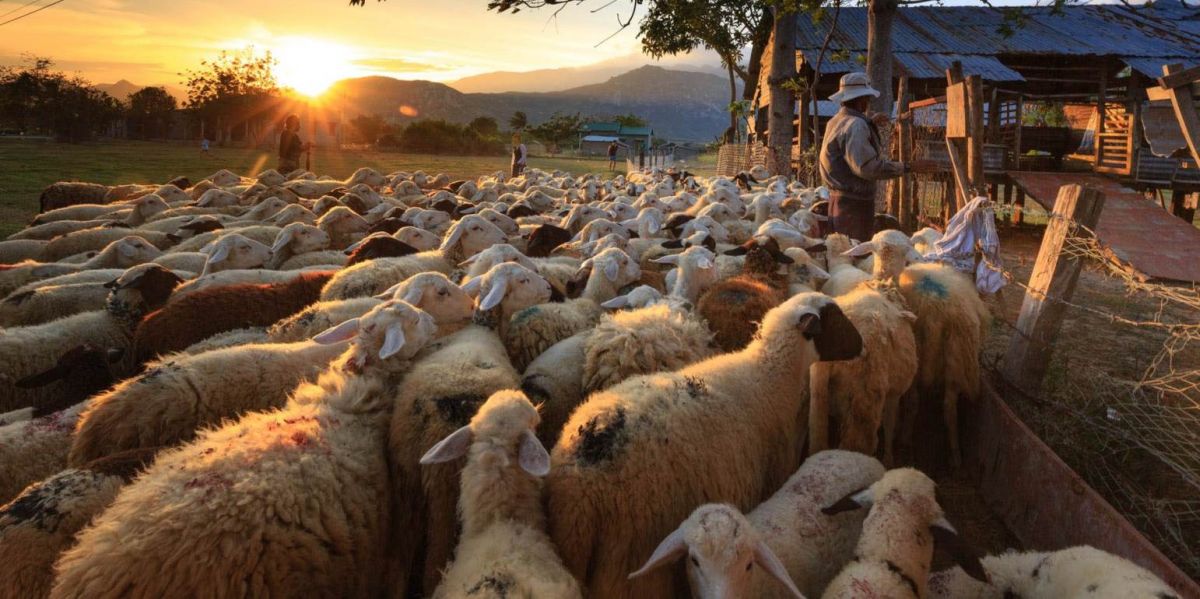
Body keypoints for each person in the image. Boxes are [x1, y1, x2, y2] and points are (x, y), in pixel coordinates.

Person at [819, 72, 936, 242]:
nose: (867, 103)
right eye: (867, 99)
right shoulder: (856, 125)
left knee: (842, 256)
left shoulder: (836, 121)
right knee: (855, 256)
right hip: (854, 207)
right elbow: (867, 168)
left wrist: (870, 123)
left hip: (838, 201)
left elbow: (845, 149)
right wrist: (909, 166)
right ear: (861, 101)